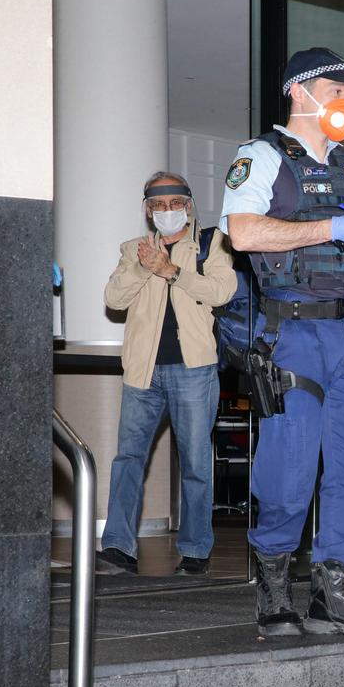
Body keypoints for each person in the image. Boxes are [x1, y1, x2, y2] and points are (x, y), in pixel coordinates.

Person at [220, 47, 344, 637]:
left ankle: (335, 591)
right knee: (290, 464)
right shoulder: (262, 157)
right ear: (299, 93)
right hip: (296, 330)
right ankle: (274, 588)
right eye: (336, 90)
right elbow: (242, 232)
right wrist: (333, 225)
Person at [97, 173, 237, 575]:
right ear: (147, 210)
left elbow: (221, 292)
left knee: (195, 463)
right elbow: (113, 299)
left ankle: (194, 551)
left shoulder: (211, 245)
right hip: (144, 372)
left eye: (174, 203)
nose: (167, 211)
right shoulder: (133, 250)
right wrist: (146, 267)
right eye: (158, 205)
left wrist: (172, 271)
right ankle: (119, 547)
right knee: (128, 460)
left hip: (194, 371)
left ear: (189, 206)